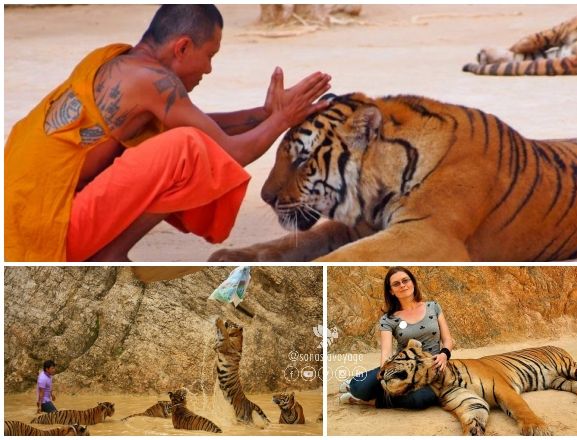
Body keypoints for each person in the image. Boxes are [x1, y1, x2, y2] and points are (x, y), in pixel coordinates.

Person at [5, 4, 331, 262]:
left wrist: (265, 115)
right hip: (46, 238)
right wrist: (283, 119)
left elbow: (204, 124)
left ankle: (105, 251)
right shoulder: (152, 82)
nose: (208, 69)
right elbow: (230, 152)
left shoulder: (122, 62)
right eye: (209, 56)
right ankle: (110, 255)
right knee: (185, 150)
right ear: (183, 47)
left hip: (25, 226)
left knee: (180, 141)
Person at [339, 267, 453, 409]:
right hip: (400, 367)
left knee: (420, 400)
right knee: (359, 389)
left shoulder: (433, 307)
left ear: (413, 283)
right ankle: (354, 384)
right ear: (391, 291)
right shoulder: (388, 319)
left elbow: (448, 339)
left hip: (433, 368)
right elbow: (386, 353)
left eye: (405, 280)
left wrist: (444, 355)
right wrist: (385, 374)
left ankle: (369, 401)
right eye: (396, 284)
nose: (402, 285)